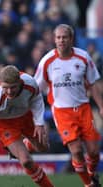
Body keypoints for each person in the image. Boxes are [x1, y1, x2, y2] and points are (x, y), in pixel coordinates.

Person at [34, 24, 103, 187]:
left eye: (64, 37)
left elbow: (93, 84)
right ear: (54, 39)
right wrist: (35, 116)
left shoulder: (83, 57)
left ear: (71, 39)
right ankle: (89, 185)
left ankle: (92, 175)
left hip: (83, 108)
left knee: (93, 152)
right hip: (62, 112)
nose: (61, 40)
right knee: (77, 150)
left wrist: (101, 106)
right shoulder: (47, 61)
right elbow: (36, 89)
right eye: (58, 37)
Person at [0, 65, 55, 187]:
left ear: (20, 82)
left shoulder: (30, 83)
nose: (9, 91)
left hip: (25, 116)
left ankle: (27, 144)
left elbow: (37, 98)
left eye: (13, 87)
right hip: (4, 123)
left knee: (43, 148)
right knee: (26, 161)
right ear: (0, 84)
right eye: (5, 88)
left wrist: (39, 123)